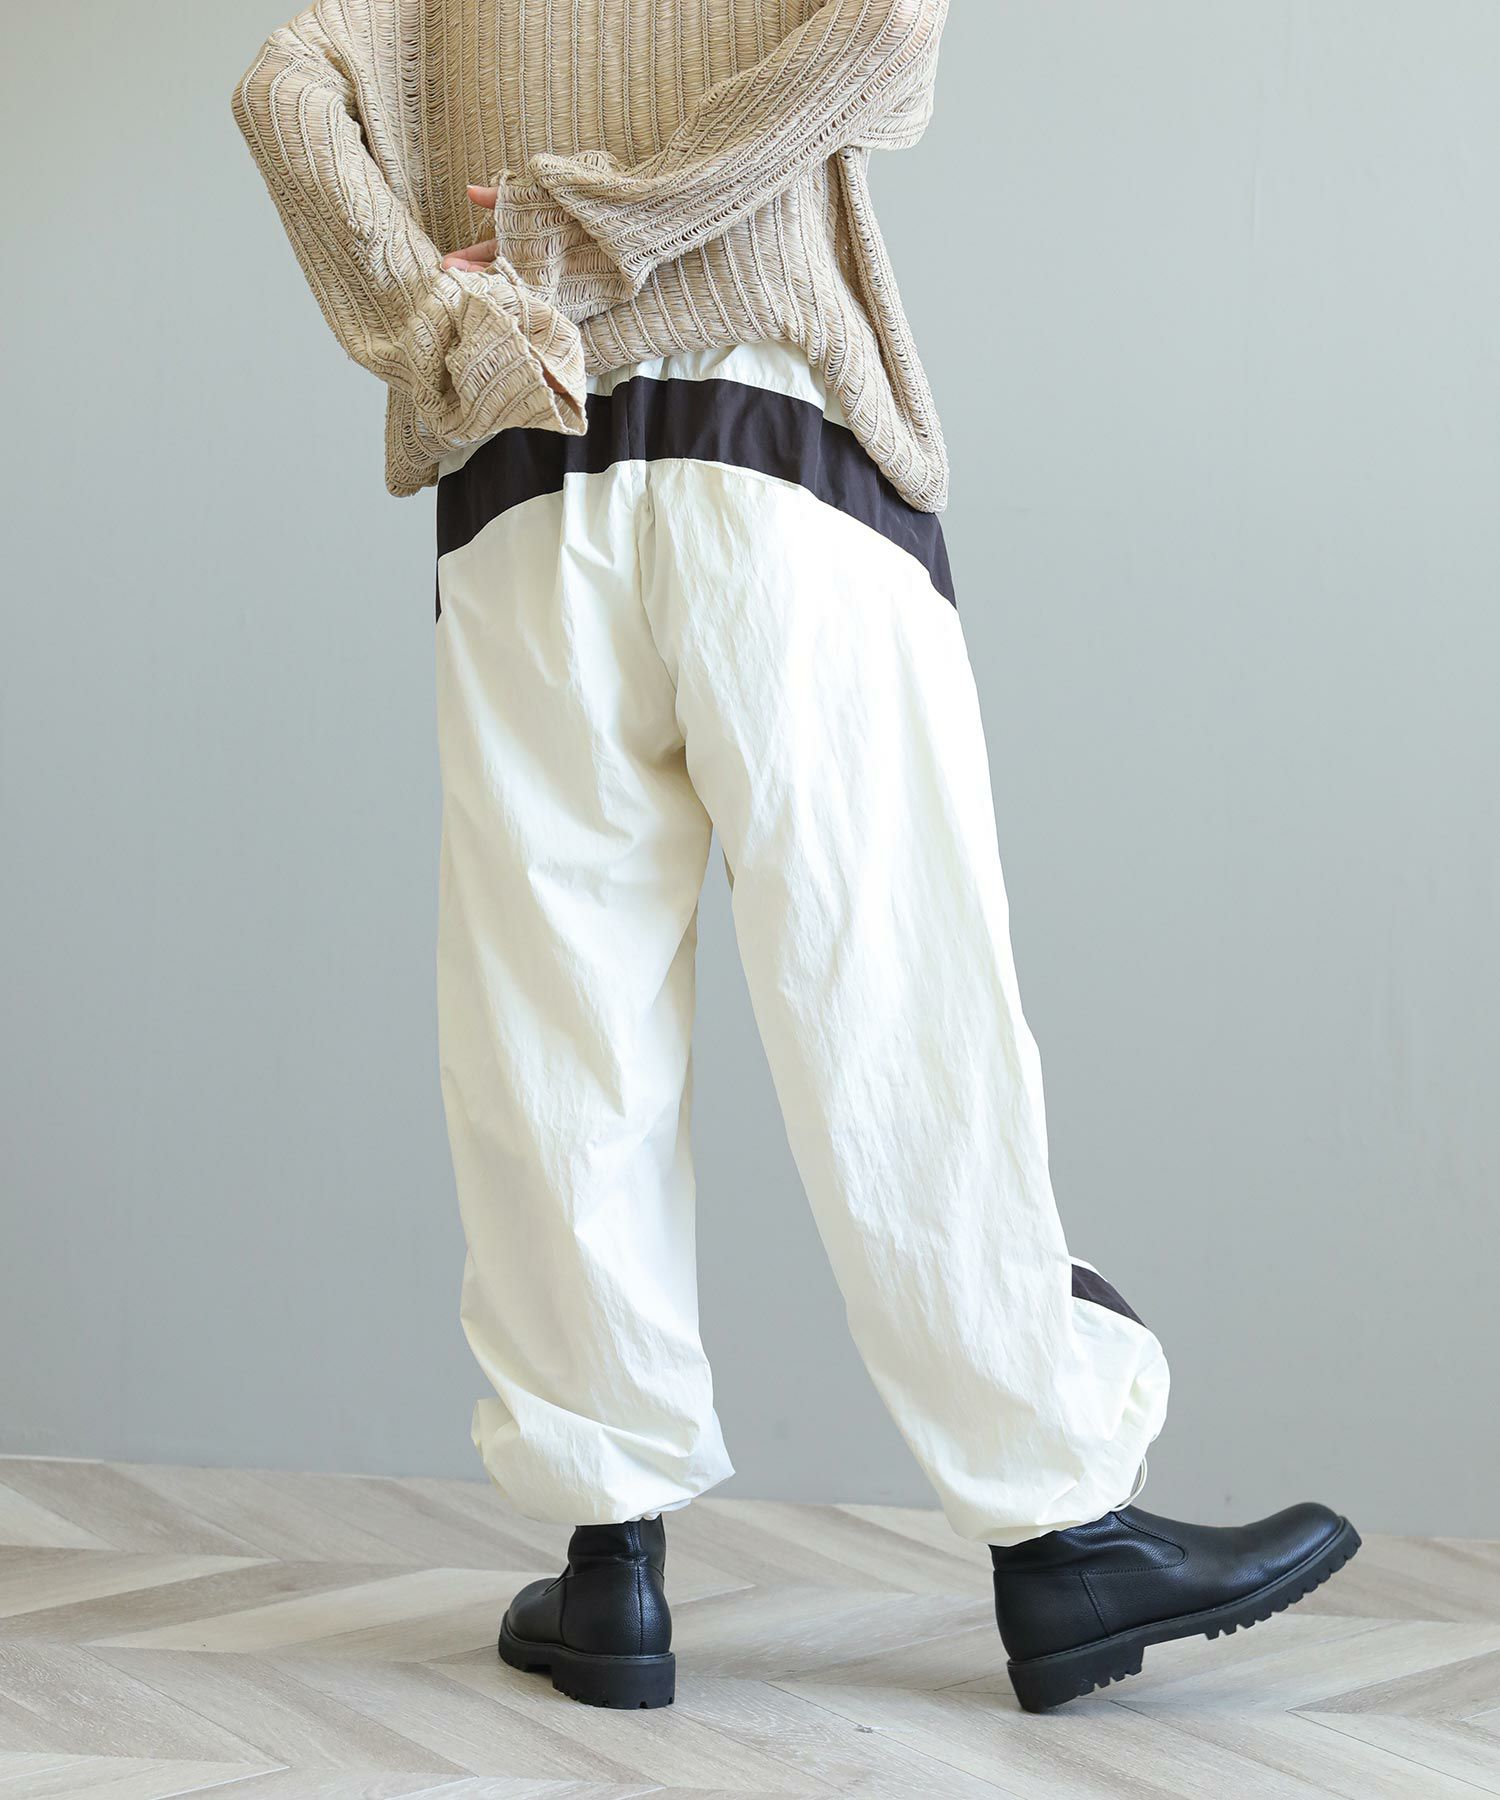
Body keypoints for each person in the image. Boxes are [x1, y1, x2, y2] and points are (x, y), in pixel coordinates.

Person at [233, 0, 1358, 1714]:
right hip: (775, 443)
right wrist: (609, 227)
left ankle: (610, 1567)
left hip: (522, 485)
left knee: (555, 1029)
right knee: (890, 985)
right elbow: (884, 35)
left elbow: (285, 89)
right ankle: (1059, 1538)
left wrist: (447, 314)